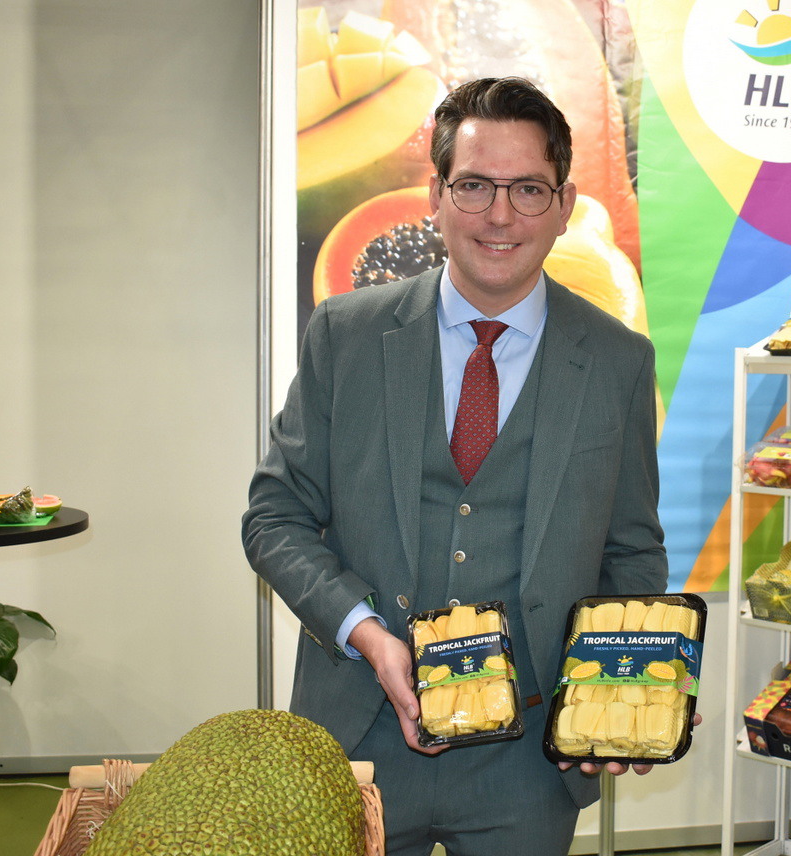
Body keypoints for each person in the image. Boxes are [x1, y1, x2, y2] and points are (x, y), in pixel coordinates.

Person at [242, 76, 668, 856]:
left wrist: (619, 689)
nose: (500, 215)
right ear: (435, 197)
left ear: (565, 205)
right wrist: (367, 633)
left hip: (531, 761)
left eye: (528, 189)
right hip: (360, 732)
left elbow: (631, 550)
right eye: (474, 186)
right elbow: (275, 517)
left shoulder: (619, 363)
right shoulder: (345, 335)